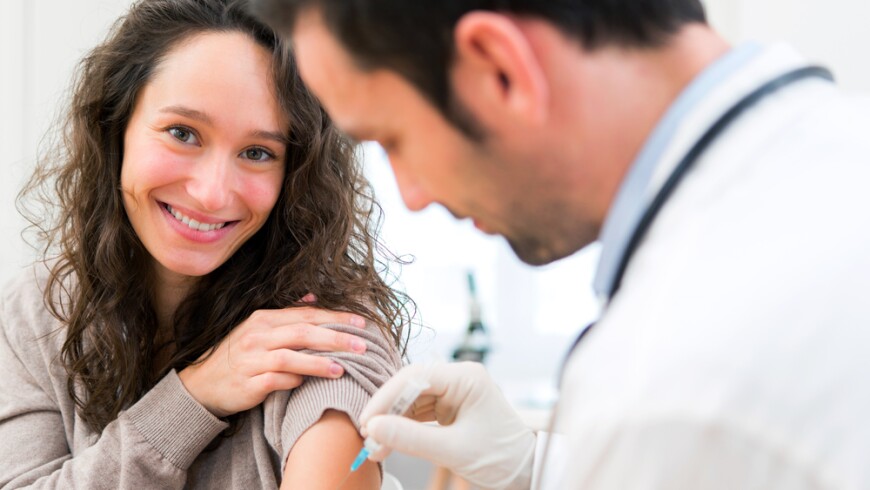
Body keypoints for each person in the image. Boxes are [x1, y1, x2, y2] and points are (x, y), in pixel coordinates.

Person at [250, 0, 870, 488]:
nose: (410, 195)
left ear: (500, 66)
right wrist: (535, 466)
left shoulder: (672, 384)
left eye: (393, 138)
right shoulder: (835, 152)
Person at [0, 0, 410, 488]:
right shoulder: (37, 311)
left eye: (258, 152)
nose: (213, 193)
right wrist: (191, 400)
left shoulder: (324, 334)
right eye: (182, 133)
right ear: (117, 129)